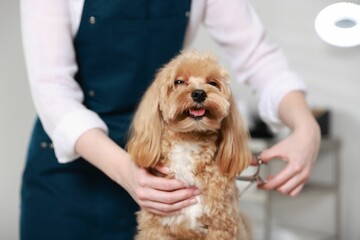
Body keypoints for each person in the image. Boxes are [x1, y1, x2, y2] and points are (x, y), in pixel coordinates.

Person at [20, 0, 321, 239]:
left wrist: (306, 125)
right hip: (71, 176)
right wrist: (126, 169)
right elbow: (53, 90)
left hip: (165, 170)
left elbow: (258, 58)